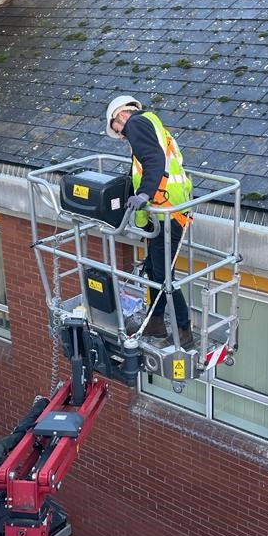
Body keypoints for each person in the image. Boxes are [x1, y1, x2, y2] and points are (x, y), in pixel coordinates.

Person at [105, 95, 194, 348]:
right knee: (155, 269)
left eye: (118, 130)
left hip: (169, 211)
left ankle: (183, 330)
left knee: (165, 275)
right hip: (166, 210)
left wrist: (143, 195)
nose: (122, 137)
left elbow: (154, 160)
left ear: (122, 115)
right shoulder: (152, 126)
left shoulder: (137, 124)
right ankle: (155, 322)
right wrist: (144, 220)